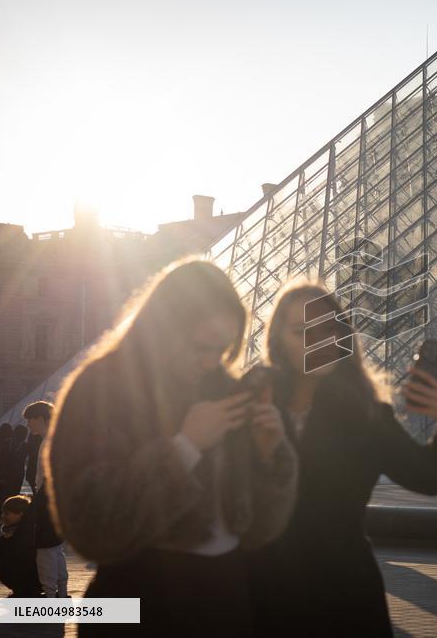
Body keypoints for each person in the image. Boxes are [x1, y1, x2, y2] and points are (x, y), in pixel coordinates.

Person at [43, 258, 299, 637]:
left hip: (227, 601)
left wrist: (269, 456)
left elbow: (259, 530)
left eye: (223, 349)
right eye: (201, 347)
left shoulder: (224, 391)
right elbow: (91, 527)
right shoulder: (100, 390)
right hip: (136, 603)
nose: (213, 362)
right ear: (163, 329)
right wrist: (184, 448)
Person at [248, 278, 437, 636]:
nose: (318, 342)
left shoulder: (366, 414)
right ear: (278, 340)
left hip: (340, 594)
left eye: (327, 329)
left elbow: (427, 477)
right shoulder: (251, 398)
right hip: (260, 590)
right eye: (302, 331)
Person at [22, 400, 69, 597]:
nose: (28, 425)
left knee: (45, 548)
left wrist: (41, 498)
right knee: (55, 548)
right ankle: (61, 592)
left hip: (48, 498)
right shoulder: (54, 438)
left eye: (30, 420)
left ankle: (50, 596)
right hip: (54, 499)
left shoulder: (50, 442)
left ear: (41, 418)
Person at [0, 495, 42, 597]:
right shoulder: (15, 530)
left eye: (7, 513)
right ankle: (22, 591)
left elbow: (0, 551)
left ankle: (25, 591)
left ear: (20, 514)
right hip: (30, 576)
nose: (3, 516)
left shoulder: (25, 533)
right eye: (3, 513)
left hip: (33, 577)